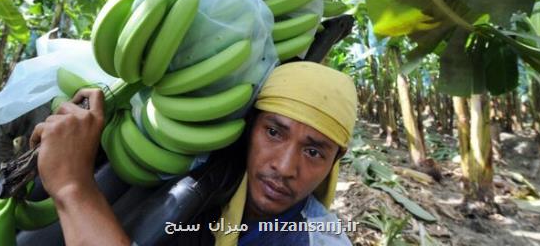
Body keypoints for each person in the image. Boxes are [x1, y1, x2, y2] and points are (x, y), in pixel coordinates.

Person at [30, 61, 358, 245]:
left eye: (314, 151)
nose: (285, 167)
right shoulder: (209, 187)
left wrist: (73, 187)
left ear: (334, 164)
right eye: (273, 132)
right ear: (250, 128)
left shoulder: (316, 241)